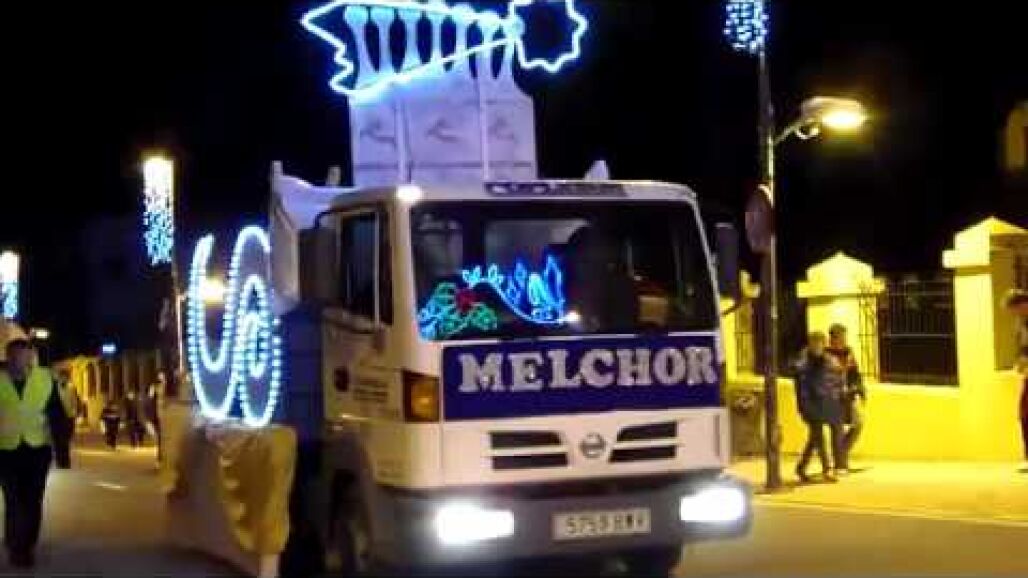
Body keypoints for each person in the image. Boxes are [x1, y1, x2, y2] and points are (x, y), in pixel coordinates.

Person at [0, 339, 71, 568]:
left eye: (23, 356)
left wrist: (62, 452)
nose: (18, 361)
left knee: (32, 500)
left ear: (30, 357)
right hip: (6, 452)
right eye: (14, 356)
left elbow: (57, 416)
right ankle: (15, 546)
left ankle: (27, 544)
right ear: (7, 358)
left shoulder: (44, 379)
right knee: (13, 500)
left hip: (37, 451)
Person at [794, 332, 845, 483]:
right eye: (814, 343)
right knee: (818, 436)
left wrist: (837, 393)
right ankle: (827, 469)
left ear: (824, 344)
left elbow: (839, 377)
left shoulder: (829, 360)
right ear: (810, 344)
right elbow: (800, 384)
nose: (817, 346)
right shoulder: (803, 362)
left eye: (820, 343)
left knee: (816, 437)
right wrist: (803, 406)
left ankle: (802, 467)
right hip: (810, 404)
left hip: (827, 403)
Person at [826, 323, 865, 473]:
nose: (843, 340)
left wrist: (858, 388)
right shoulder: (826, 355)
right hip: (833, 398)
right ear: (832, 339)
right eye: (840, 338)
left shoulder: (848, 353)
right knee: (837, 429)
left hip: (848, 396)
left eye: (844, 337)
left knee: (858, 424)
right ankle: (840, 463)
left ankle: (841, 455)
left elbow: (855, 373)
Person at [1006, 289, 1028, 472]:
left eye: (1014, 310)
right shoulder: (1021, 323)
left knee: (1025, 413)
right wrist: (1020, 361)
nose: (1013, 314)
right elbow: (1022, 347)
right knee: (1024, 414)